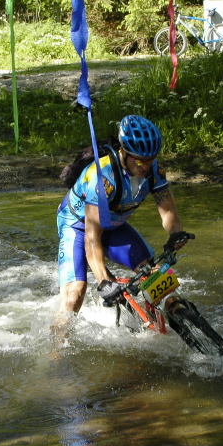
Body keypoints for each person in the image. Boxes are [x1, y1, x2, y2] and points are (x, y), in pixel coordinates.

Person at [54, 115, 191, 334]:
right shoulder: (102, 178)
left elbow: (168, 211)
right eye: (139, 160)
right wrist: (103, 281)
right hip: (78, 226)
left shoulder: (154, 170)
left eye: (150, 159)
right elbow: (91, 239)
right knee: (75, 293)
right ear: (124, 152)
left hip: (114, 225)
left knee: (153, 273)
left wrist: (176, 234)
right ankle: (56, 352)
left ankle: (178, 314)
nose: (145, 166)